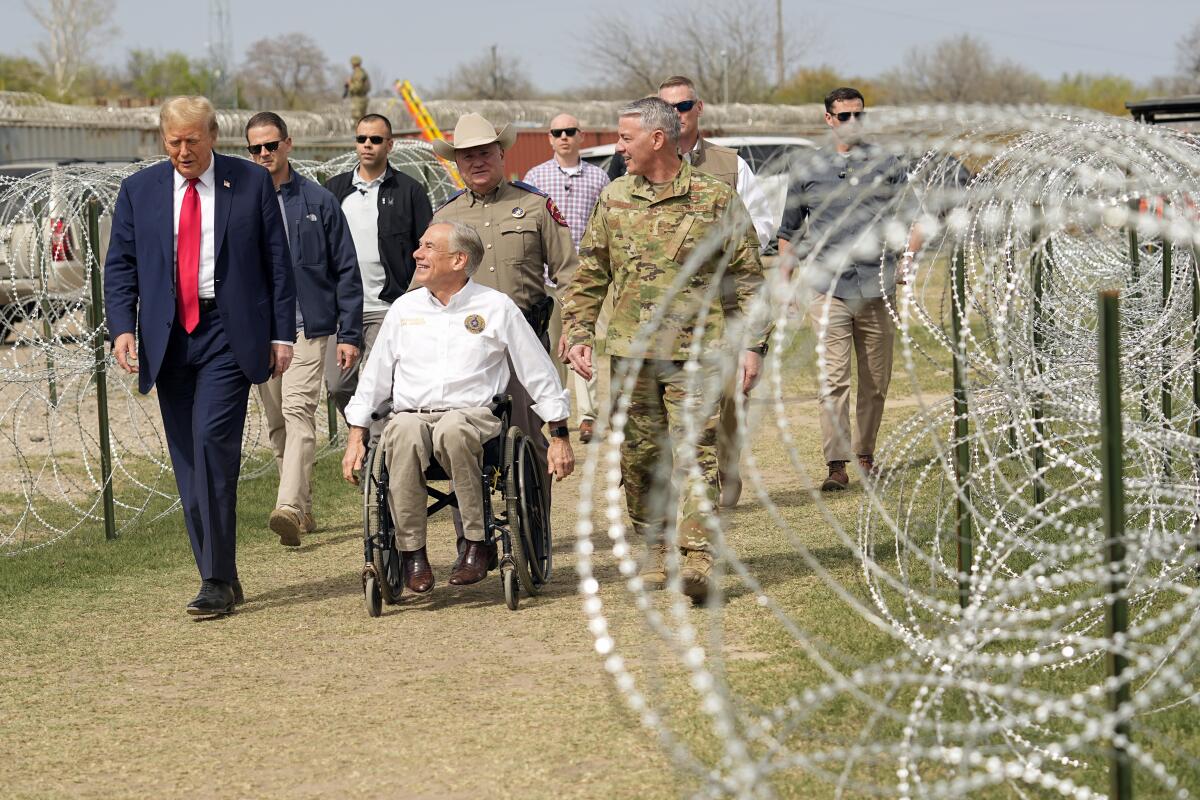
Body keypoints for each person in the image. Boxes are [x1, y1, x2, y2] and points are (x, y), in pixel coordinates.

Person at [562, 97, 767, 604]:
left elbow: (747, 278)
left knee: (694, 453)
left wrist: (753, 345)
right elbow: (591, 272)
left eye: (625, 137)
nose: (618, 147)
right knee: (640, 456)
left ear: (657, 138)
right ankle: (655, 540)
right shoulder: (613, 198)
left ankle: (697, 557)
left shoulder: (715, 199)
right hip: (632, 355)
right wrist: (579, 331)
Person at [104, 96, 294, 616]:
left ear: (213, 135)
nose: (184, 151)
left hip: (228, 335)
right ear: (162, 140)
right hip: (168, 338)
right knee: (188, 461)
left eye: (193, 139)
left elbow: (277, 263)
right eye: (174, 141)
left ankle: (212, 580)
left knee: (212, 445)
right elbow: (120, 265)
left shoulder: (249, 182)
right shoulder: (139, 190)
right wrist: (121, 327)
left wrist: (282, 335)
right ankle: (222, 575)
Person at [341, 221, 574, 592]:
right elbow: (374, 380)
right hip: (412, 416)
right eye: (419, 245)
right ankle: (411, 552)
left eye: (429, 247)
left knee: (452, 429)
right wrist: (356, 436)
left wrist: (559, 434)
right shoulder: (404, 309)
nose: (417, 253)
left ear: (459, 259)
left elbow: (537, 370)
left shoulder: (495, 306)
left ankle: (476, 543)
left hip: (473, 417)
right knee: (399, 432)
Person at [610, 75, 775, 508]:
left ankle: (722, 478)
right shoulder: (631, 171)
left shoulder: (729, 166)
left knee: (724, 406)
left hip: (720, 307)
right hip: (654, 322)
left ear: (697, 109)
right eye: (669, 107)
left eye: (684, 106)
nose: (678, 114)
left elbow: (759, 229)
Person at [777, 87, 922, 492]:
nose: (853, 122)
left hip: (877, 286)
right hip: (828, 289)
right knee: (833, 380)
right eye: (844, 116)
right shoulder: (807, 168)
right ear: (828, 119)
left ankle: (865, 454)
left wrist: (906, 261)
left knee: (875, 380)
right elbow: (787, 232)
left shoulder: (886, 163)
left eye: (859, 114)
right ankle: (836, 463)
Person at [431, 113, 578, 481]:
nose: (477, 162)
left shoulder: (535, 207)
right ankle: (474, 536)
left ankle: (533, 535)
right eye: (467, 156)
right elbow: (427, 284)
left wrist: (576, 329)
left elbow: (569, 274)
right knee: (462, 440)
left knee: (528, 439)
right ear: (457, 163)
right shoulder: (445, 217)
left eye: (485, 153)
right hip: (467, 348)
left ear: (501, 154)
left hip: (524, 341)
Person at [245, 111, 363, 547]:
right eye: (254, 148)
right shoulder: (240, 205)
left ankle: (289, 508)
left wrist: (348, 333)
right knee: (278, 424)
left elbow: (346, 270)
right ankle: (304, 508)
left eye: (270, 146)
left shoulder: (318, 202)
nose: (263, 155)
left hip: (307, 329)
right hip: (260, 332)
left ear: (287, 145)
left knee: (299, 414)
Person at [324, 114, 433, 419]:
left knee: (381, 388)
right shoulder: (334, 190)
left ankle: (376, 455)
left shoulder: (409, 191)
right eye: (361, 139)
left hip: (389, 306)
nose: (367, 145)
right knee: (337, 385)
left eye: (375, 139)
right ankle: (362, 438)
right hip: (343, 309)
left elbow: (426, 250)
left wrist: (417, 298)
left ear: (390, 145)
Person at [522, 113, 609, 444]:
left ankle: (589, 416)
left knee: (583, 344)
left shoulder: (599, 177)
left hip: (586, 276)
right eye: (556, 132)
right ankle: (558, 413)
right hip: (546, 276)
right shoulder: (537, 175)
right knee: (550, 347)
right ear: (549, 138)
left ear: (580, 136)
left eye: (569, 131)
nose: (563, 137)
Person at [344, 55, 370, 123]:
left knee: (357, 119)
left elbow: (357, 87)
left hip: (358, 99)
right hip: (361, 98)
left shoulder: (358, 73)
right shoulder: (362, 71)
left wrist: (350, 84)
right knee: (362, 119)